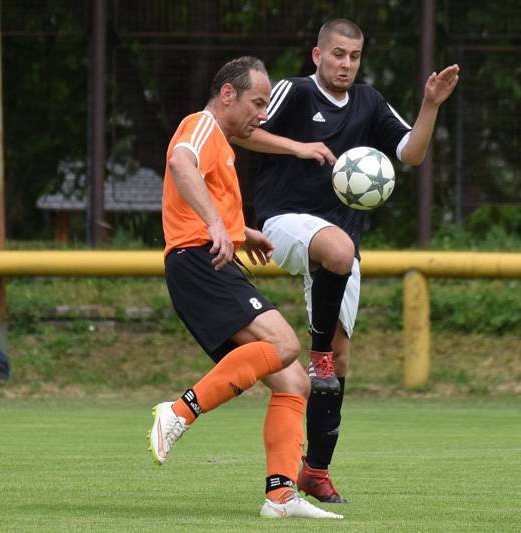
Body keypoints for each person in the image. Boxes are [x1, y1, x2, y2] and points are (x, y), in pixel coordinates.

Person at [233, 19, 459, 503]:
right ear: (317, 55)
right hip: (284, 222)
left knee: (341, 359)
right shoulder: (292, 92)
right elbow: (240, 131)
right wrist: (299, 147)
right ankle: (315, 354)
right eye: (338, 54)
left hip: (339, 238)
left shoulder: (369, 102)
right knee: (335, 251)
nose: (346, 64)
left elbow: (411, 154)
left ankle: (315, 469)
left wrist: (430, 105)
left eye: (354, 56)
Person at [147, 56, 342, 520]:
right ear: (228, 94)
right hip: (198, 260)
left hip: (211, 256)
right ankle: (177, 412)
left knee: (294, 381)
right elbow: (180, 163)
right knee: (287, 344)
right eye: (257, 101)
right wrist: (217, 225)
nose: (263, 112)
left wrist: (237, 229)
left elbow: (205, 192)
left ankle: (280, 497)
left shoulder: (222, 141)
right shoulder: (200, 125)